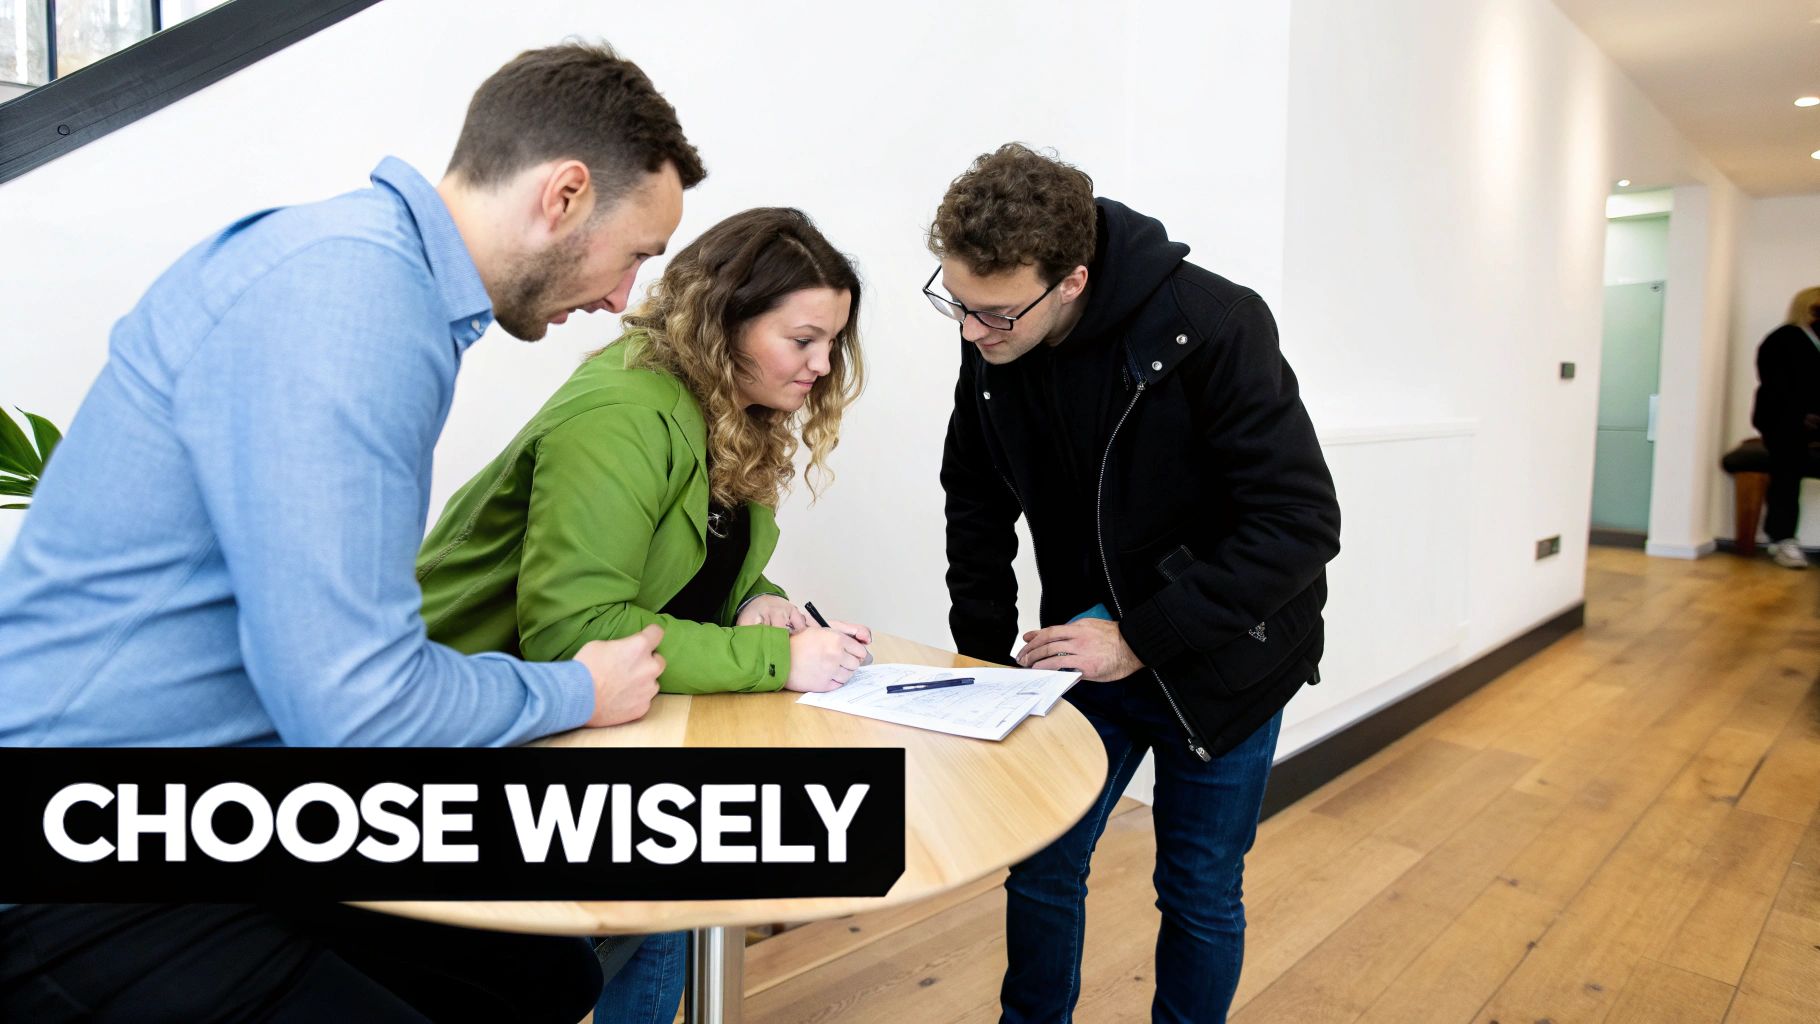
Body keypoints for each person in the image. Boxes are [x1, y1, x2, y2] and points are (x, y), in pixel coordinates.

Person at [0, 43, 703, 1023]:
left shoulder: (378, 281)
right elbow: (361, 714)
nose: (623, 300)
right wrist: (577, 685)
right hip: (84, 872)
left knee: (543, 978)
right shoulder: (352, 301)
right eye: (636, 254)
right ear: (565, 195)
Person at [417, 206, 872, 1021]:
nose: (820, 365)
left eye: (832, 342)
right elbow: (575, 633)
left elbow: (697, 551)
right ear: (724, 321)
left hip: (602, 712)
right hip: (471, 716)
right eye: (802, 340)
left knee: (677, 893)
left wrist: (756, 597)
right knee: (597, 940)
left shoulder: (730, 406)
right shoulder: (626, 410)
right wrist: (781, 661)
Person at [928, 144, 1340, 1023]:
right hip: (1082, 650)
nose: (972, 332)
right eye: (957, 304)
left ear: (1072, 280)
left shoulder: (1217, 325)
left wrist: (1139, 638)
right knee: (1041, 863)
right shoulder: (998, 337)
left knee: (1195, 886)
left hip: (1224, 658)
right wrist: (982, 656)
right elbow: (975, 495)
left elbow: (1301, 526)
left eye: (994, 313)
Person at [1751, 285, 1820, 569]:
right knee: (1787, 466)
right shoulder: (1782, 340)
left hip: (1813, 422)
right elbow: (1775, 388)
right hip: (1783, 422)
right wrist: (1803, 415)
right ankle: (1782, 540)